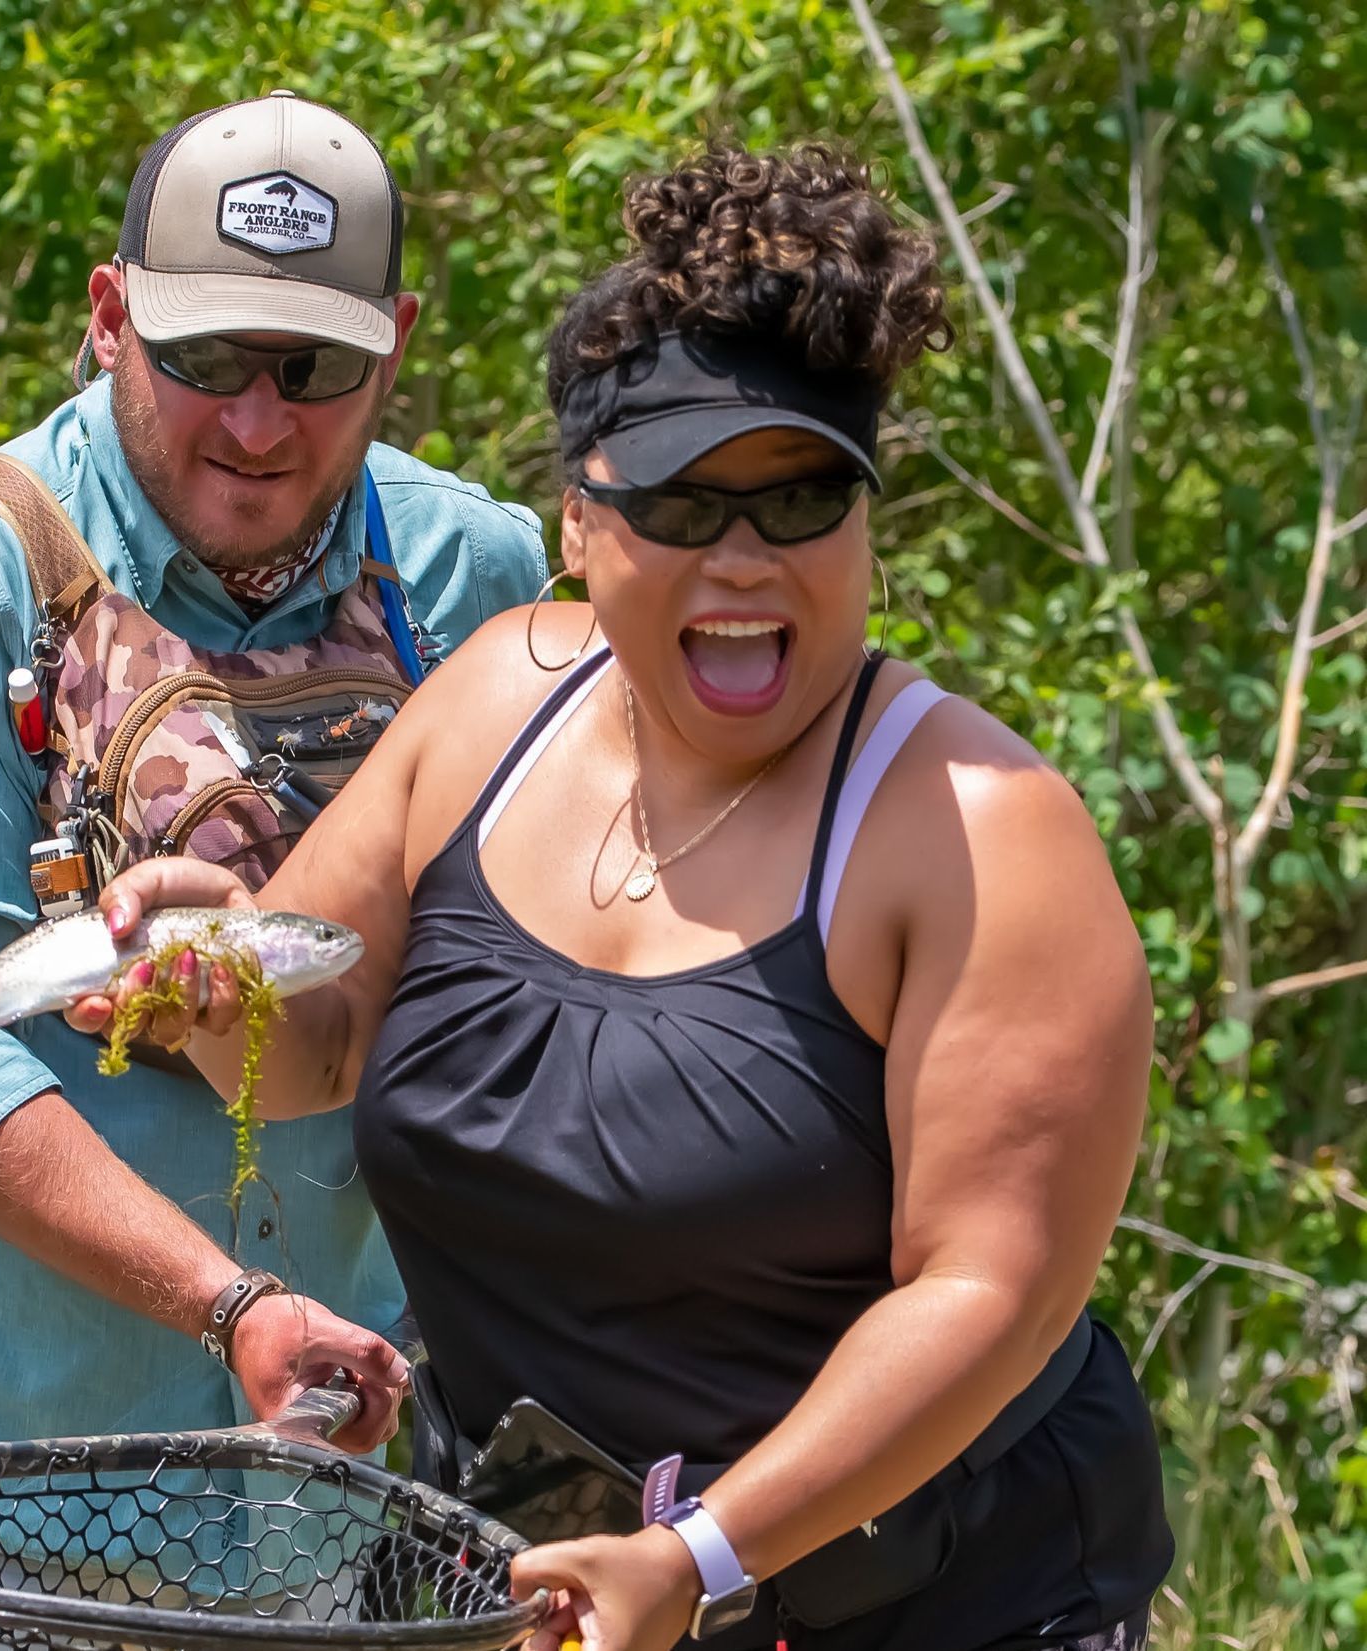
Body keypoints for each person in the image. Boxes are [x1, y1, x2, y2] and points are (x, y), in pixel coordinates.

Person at [74, 139, 1174, 1651]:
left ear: (865, 523)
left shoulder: (981, 837)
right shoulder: (488, 706)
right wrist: (212, 979)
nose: (740, 560)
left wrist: (703, 1557)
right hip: (536, 1580)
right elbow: (314, 1035)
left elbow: (989, 1296)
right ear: (579, 527)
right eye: (676, 503)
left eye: (798, 503)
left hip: (920, 1594)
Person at [0, 92, 546, 1645]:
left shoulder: (473, 581)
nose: (256, 421)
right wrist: (226, 1307)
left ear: (398, 342)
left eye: (313, 370)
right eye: (205, 359)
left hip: (299, 1507)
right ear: (110, 318)